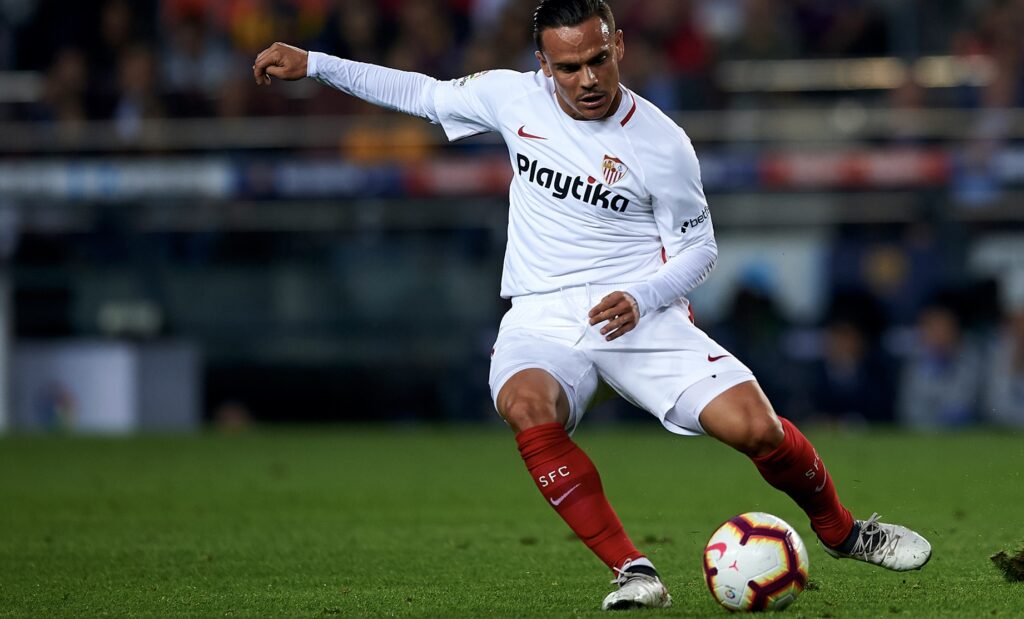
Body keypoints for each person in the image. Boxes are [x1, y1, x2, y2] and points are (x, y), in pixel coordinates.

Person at [252, 0, 931, 610]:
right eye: (569, 65)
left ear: (620, 47)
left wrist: (643, 296)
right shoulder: (511, 98)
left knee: (754, 427)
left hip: (642, 313)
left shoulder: (662, 144)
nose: (587, 78)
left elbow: (700, 250)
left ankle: (845, 531)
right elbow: (421, 93)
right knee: (526, 406)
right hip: (542, 314)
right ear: (543, 66)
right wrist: (313, 63)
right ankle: (633, 570)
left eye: (598, 59)